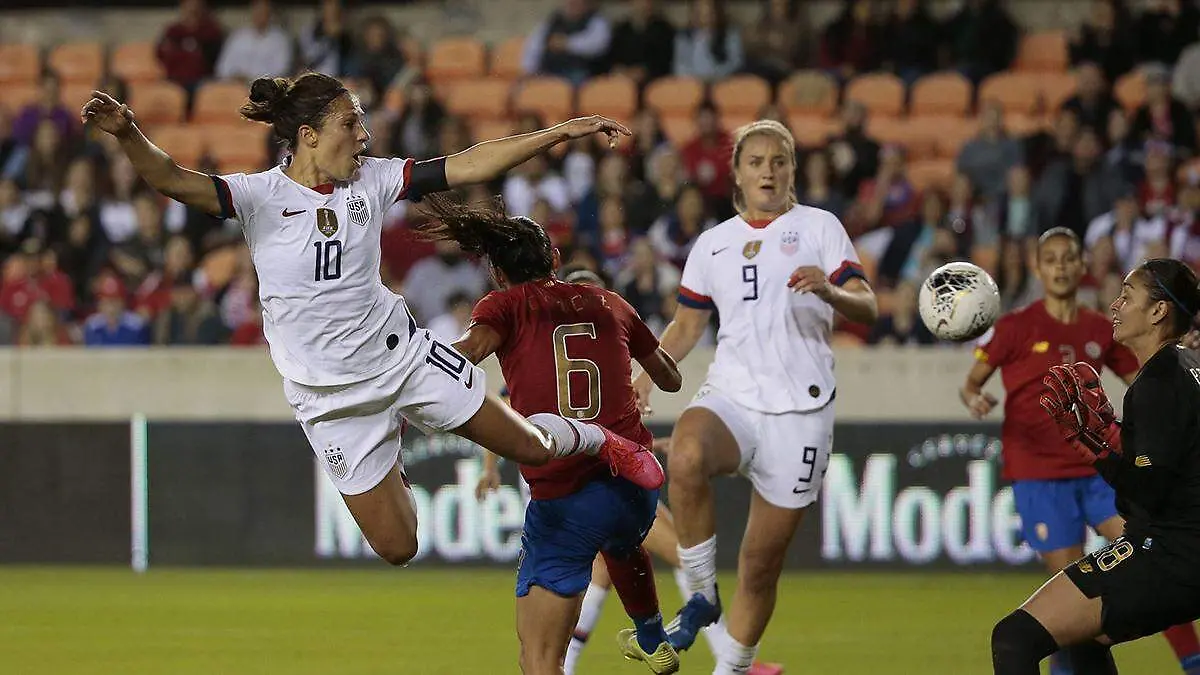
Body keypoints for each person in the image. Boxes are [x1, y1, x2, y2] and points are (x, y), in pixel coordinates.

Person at [80, 71, 662, 569]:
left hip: (402, 359)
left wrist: (559, 133)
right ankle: (394, 434)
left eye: (362, 123)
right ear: (308, 135)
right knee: (398, 547)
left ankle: (601, 440)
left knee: (534, 448)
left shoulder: (374, 180)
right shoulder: (258, 197)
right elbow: (172, 180)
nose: (364, 134)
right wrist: (130, 133)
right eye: (349, 123)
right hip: (328, 400)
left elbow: (470, 163)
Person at [635, 119, 878, 675]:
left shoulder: (820, 227)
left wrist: (832, 290)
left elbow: (868, 306)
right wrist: (646, 374)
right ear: (737, 175)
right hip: (733, 398)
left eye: (779, 161)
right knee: (688, 450)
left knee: (760, 567)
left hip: (802, 415)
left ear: (792, 171)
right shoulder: (713, 244)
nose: (768, 170)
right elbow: (687, 327)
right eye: (756, 161)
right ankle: (700, 592)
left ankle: (732, 669)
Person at [424, 193, 683, 675]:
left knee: (540, 658)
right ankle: (651, 636)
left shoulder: (503, 305)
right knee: (623, 543)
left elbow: (465, 354)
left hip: (566, 497)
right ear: (556, 261)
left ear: (498, 274)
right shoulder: (612, 302)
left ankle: (648, 636)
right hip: (634, 490)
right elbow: (670, 378)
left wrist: (410, 368)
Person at [963, 228, 1200, 675]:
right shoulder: (1189, 367)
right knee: (1082, 634)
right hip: (1175, 547)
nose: (1116, 304)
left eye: (1127, 296)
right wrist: (1111, 436)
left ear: (1159, 311)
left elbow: (1149, 489)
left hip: (1169, 555)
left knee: (1013, 638)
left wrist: (1098, 450)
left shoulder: (1156, 384)